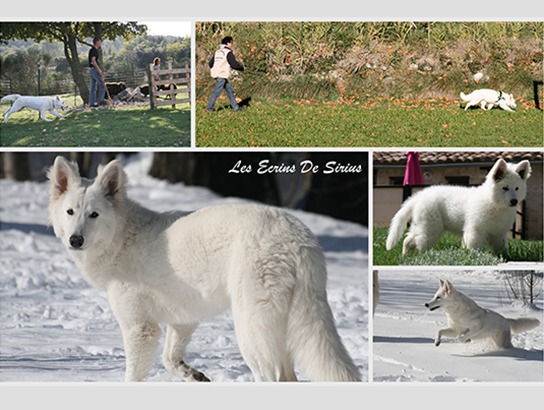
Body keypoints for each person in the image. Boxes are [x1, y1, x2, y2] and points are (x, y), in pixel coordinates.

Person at [206, 36, 245, 112]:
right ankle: (209, 109)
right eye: (231, 43)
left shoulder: (217, 52)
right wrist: (242, 68)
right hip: (222, 74)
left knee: (230, 90)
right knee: (216, 92)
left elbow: (210, 64)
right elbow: (234, 64)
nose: (232, 45)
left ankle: (235, 108)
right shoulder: (228, 52)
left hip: (216, 74)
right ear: (228, 43)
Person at [88, 37, 105, 107]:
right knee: (102, 84)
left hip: (91, 69)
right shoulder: (94, 50)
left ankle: (91, 103)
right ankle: (101, 101)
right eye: (100, 42)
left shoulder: (92, 50)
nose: (100, 43)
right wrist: (99, 70)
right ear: (97, 42)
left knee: (93, 87)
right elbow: (93, 61)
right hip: (94, 69)